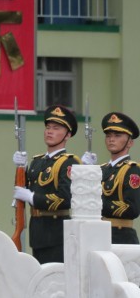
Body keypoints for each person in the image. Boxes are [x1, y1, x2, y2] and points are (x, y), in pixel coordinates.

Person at [12, 105, 81, 264]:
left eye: (56, 128)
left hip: (57, 232)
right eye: (48, 127)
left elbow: (65, 199)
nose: (50, 131)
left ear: (67, 135)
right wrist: (19, 168)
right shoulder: (37, 161)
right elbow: (22, 190)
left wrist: (33, 198)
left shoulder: (69, 162)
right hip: (38, 232)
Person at [96, 112, 140, 244]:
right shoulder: (101, 169)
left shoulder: (132, 170)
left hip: (121, 237)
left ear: (130, 142)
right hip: (99, 234)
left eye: (117, 135)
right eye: (108, 135)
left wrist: (97, 205)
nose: (111, 139)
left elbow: (132, 208)